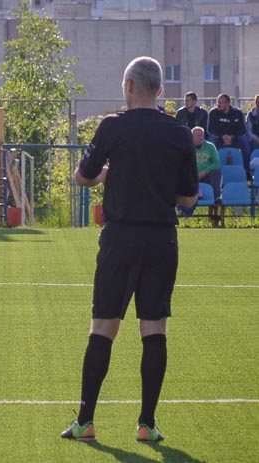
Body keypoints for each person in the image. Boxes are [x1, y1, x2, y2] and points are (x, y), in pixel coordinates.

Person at [61, 56, 197, 443]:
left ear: (129, 85)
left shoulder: (112, 125)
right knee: (153, 328)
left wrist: (105, 174)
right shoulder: (178, 133)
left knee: (103, 327)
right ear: (159, 89)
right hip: (161, 241)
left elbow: (83, 177)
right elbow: (187, 198)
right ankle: (146, 424)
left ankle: (86, 421)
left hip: (120, 239)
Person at [207, 93, 251, 174]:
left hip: (234, 137)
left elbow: (242, 129)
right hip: (219, 137)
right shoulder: (213, 113)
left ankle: (247, 171)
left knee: (244, 141)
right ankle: (211, 171)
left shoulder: (237, 113)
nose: (218, 104)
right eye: (218, 102)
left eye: (221, 102)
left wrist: (232, 136)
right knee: (211, 141)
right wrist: (222, 136)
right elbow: (210, 129)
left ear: (228, 103)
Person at [192, 126, 222, 203]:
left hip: (206, 176)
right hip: (191, 176)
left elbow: (216, 163)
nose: (201, 137)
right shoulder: (187, 146)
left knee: (216, 172)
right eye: (198, 135)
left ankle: (216, 198)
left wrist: (205, 171)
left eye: (202, 135)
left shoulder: (210, 146)